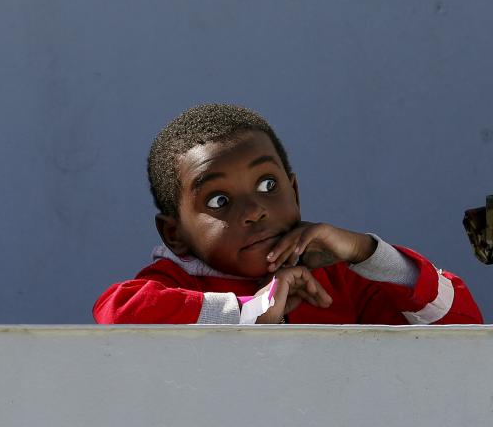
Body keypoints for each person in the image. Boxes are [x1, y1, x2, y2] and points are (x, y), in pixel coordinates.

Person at [94, 104, 482, 324]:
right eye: (218, 201)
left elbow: (460, 328)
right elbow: (117, 314)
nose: (254, 211)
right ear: (174, 234)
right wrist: (252, 312)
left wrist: (367, 253)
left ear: (294, 192)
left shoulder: (339, 280)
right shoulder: (177, 281)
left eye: (268, 185)